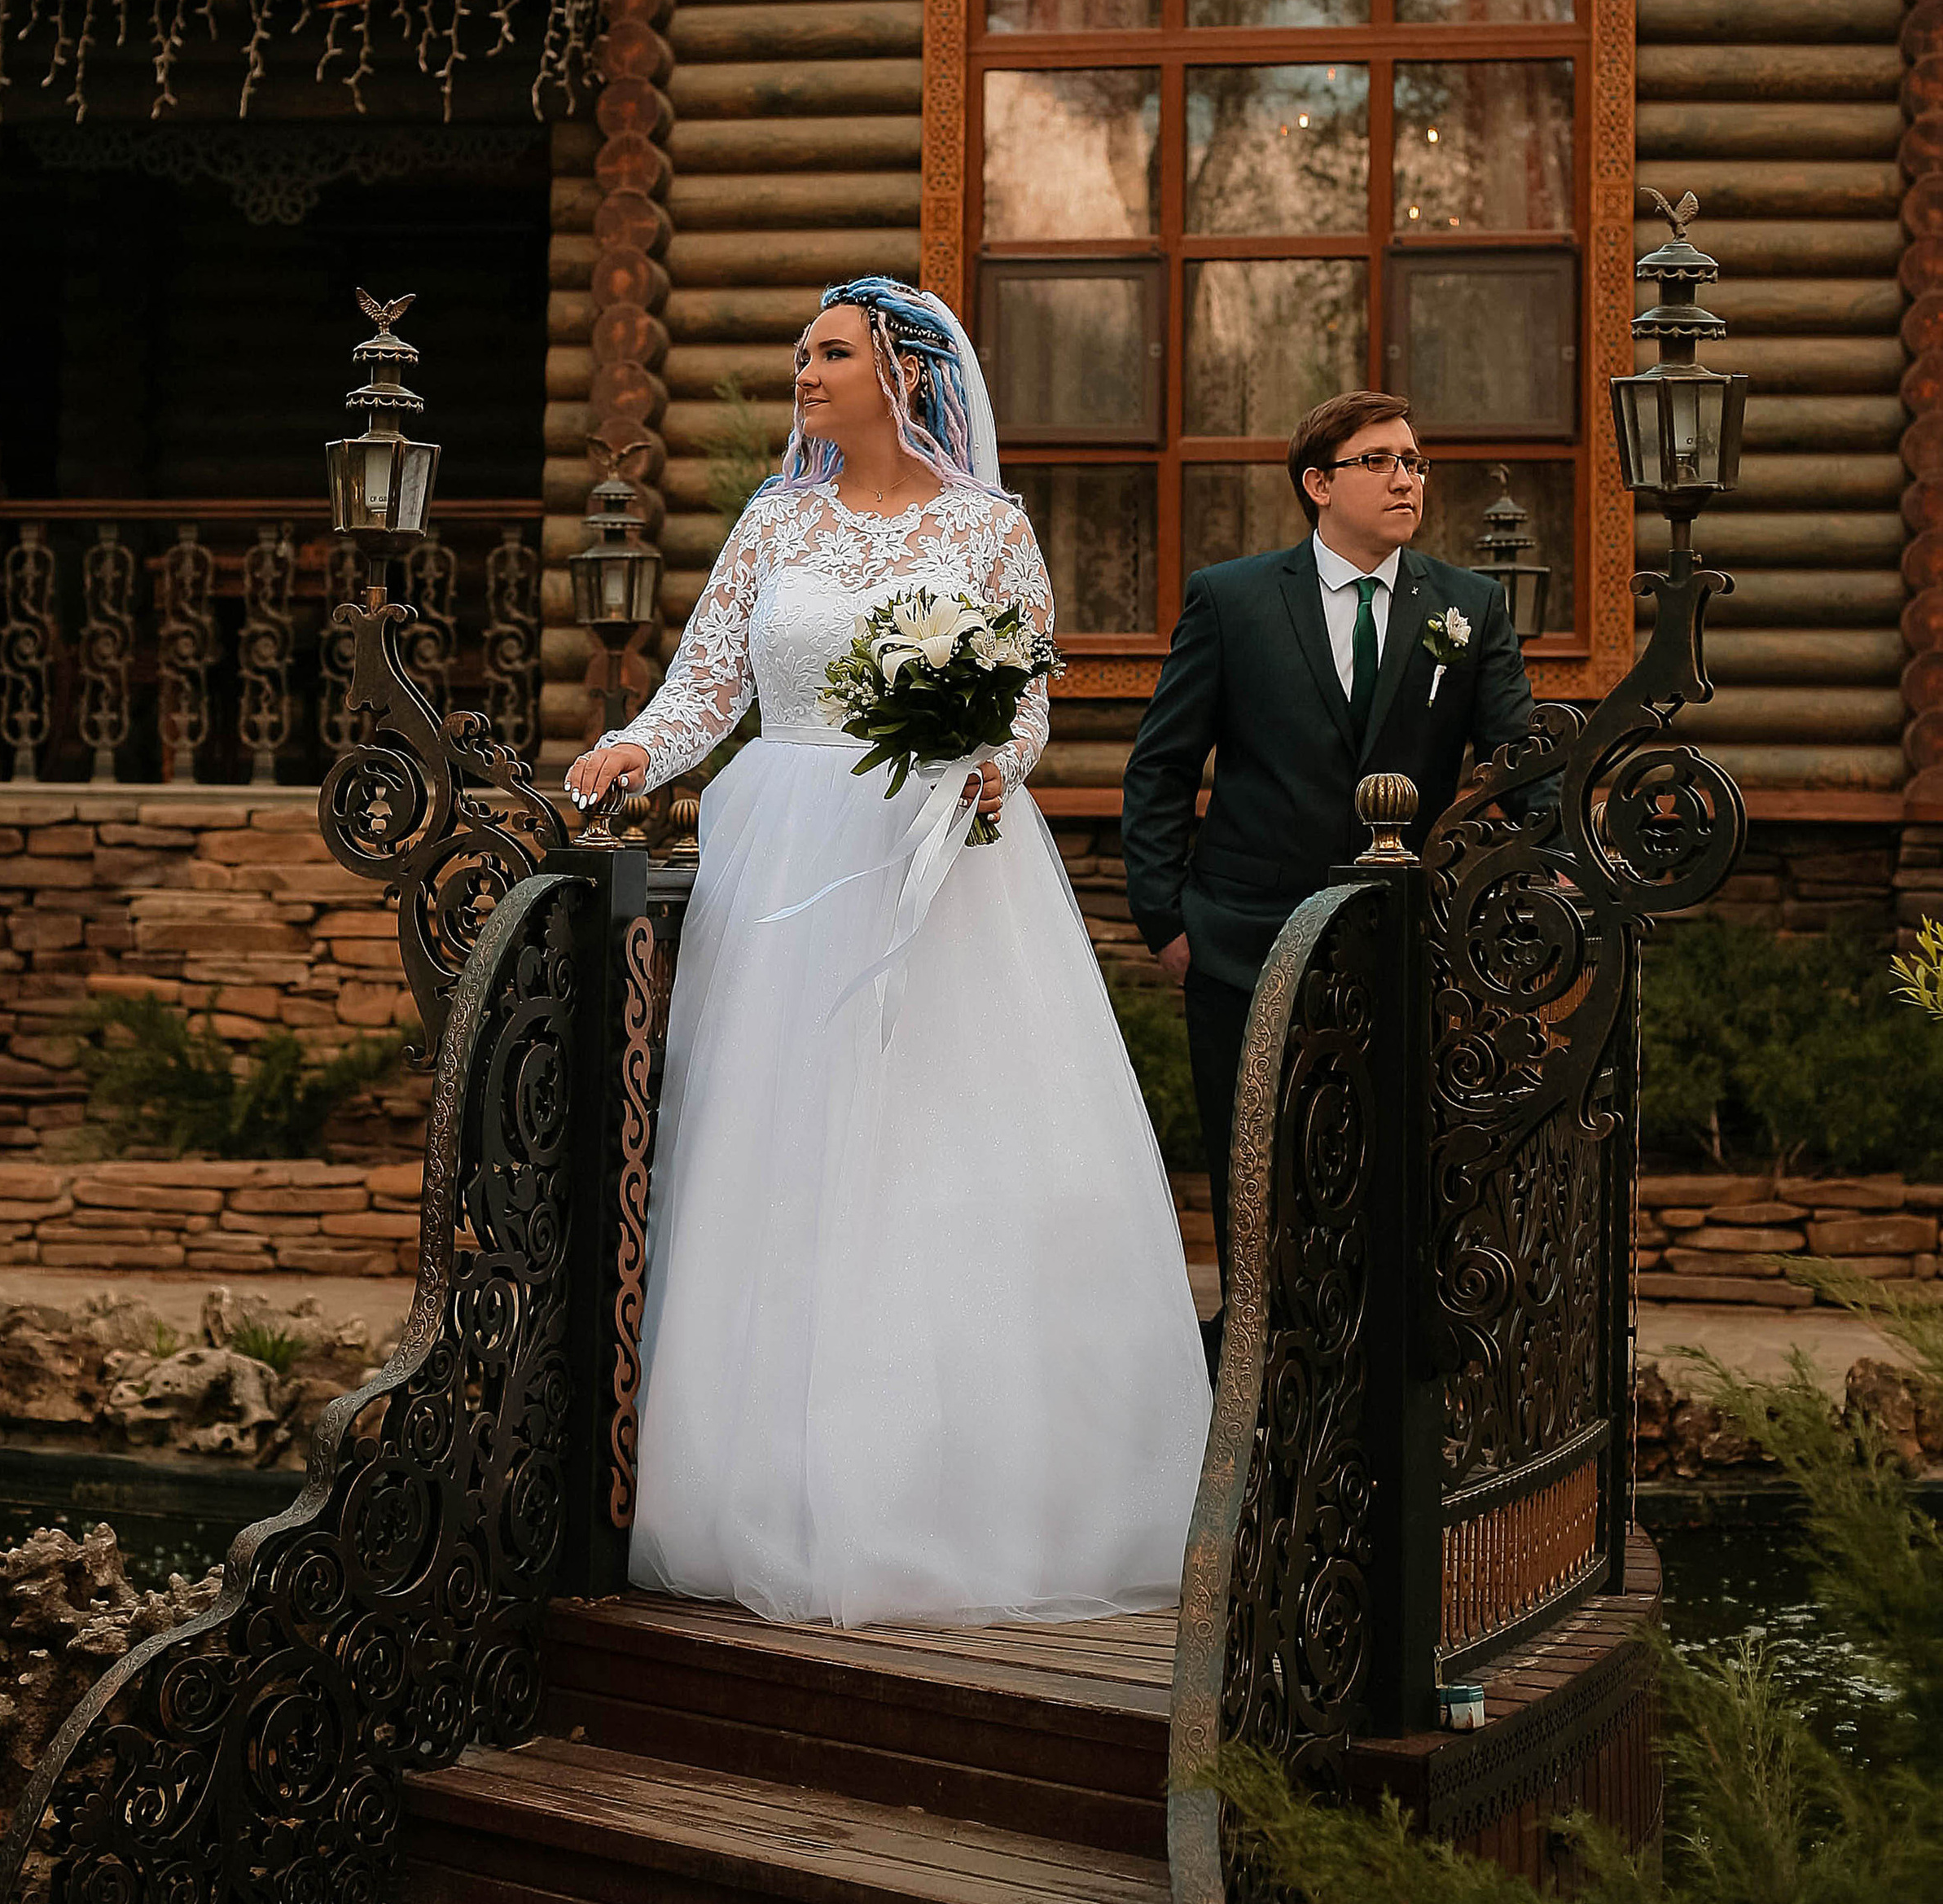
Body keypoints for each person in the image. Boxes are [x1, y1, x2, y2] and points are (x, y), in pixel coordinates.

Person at [565, 276, 1210, 1629]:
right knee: (776, 1154)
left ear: (902, 376)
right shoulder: (771, 522)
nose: (807, 371)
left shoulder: (989, 528)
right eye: (803, 351)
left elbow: (1029, 684)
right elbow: (706, 687)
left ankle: (958, 1489)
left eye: (832, 353)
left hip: (935, 856)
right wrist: (638, 744)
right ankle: (759, 1484)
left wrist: (993, 759)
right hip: (784, 849)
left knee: (934, 1149)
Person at [1120, 390, 1533, 1345]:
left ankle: (1384, 1366)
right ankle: (1263, 1365)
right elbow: (1162, 768)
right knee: (1256, 1167)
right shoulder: (1230, 599)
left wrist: (1552, 870)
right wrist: (1166, 921)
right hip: (1241, 940)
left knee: (1394, 1164)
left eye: (1415, 461)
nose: (1406, 478)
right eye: (1381, 460)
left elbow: (1519, 761)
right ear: (1318, 484)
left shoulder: (1467, 607)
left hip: (1404, 942)